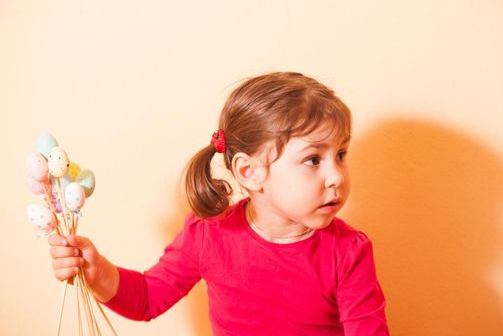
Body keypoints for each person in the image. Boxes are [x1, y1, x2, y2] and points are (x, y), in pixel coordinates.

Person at [48, 72, 389, 335]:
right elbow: (148, 299)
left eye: (341, 154)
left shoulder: (348, 252)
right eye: (314, 159)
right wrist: (96, 272)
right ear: (249, 171)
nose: (337, 176)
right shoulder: (208, 233)